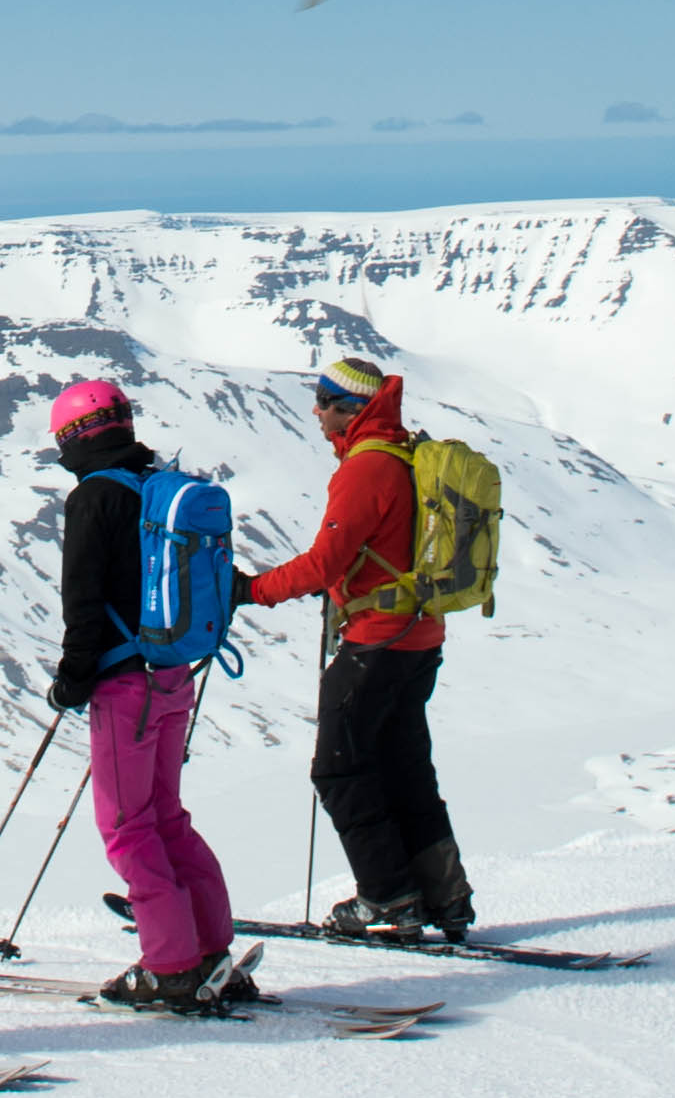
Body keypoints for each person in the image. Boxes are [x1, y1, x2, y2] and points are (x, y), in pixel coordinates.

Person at [228, 353, 472, 940]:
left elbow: (324, 563)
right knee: (405, 767)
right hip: (419, 637)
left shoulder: (367, 469)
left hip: (376, 641)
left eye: (324, 400)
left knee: (339, 771)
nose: (315, 411)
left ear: (351, 409)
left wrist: (251, 591)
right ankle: (444, 898)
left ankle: (387, 899)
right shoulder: (406, 454)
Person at [39, 378, 254, 1011]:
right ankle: (212, 951)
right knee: (165, 817)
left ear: (76, 436)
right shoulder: (157, 489)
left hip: (122, 684)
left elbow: (81, 600)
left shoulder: (94, 499)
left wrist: (73, 678)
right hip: (173, 675)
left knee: (127, 828)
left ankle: (171, 965)